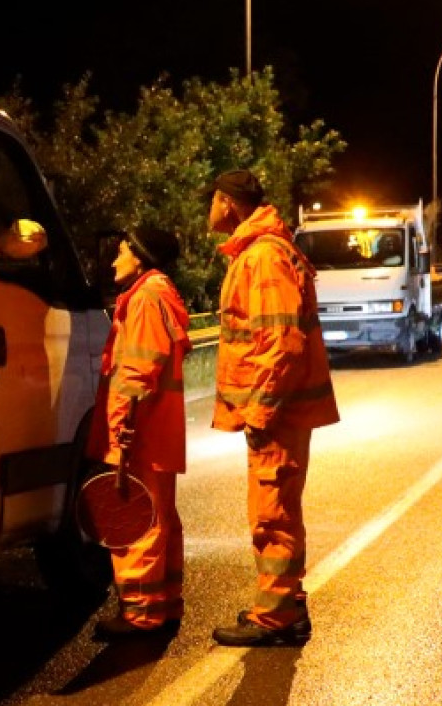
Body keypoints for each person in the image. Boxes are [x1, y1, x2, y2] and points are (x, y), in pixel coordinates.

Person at [204, 169, 340, 647]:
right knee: (274, 510)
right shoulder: (261, 252)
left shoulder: (263, 257)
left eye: (212, 201)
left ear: (227, 202)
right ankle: (284, 605)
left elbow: (282, 343)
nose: (209, 210)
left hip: (275, 414)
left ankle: (277, 618)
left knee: (273, 514)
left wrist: (260, 411)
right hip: (277, 411)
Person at [86, 226, 192, 638]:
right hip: (155, 432)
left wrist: (122, 427)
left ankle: (141, 614)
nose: (115, 260)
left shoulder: (146, 297)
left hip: (141, 433)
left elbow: (138, 370)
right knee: (158, 517)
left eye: (122, 252)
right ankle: (163, 604)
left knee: (138, 522)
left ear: (142, 258)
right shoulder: (156, 293)